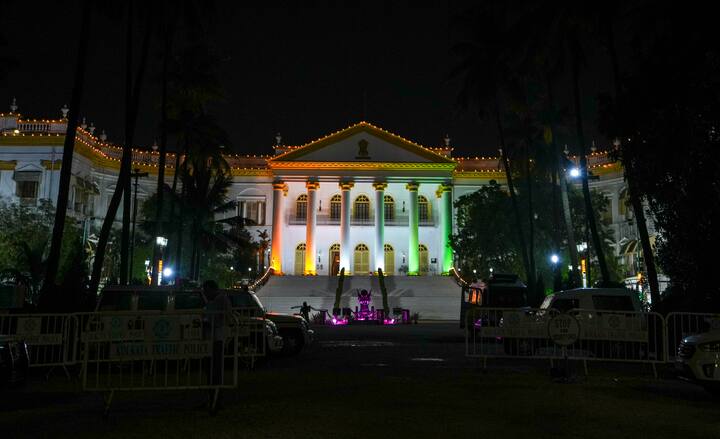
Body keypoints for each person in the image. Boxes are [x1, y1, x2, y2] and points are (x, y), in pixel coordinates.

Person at [203, 280, 232, 386]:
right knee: (211, 367)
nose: (204, 293)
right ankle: (213, 394)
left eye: (206, 290)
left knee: (214, 366)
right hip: (214, 336)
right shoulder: (218, 299)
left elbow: (221, 317)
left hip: (217, 337)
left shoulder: (220, 300)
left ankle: (215, 394)